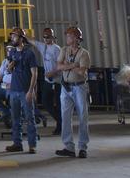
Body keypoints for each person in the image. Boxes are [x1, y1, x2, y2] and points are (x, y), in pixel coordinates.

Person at [54, 26, 91, 160]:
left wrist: (67, 65)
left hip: (79, 87)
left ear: (76, 38)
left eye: (69, 36)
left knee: (82, 116)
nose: (67, 38)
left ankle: (82, 147)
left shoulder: (84, 53)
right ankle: (68, 147)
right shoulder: (64, 50)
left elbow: (82, 72)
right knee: (65, 117)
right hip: (66, 87)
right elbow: (58, 67)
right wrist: (74, 65)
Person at [3, 27, 38, 154]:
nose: (12, 38)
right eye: (12, 36)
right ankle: (17, 143)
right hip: (14, 90)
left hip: (25, 91)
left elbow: (34, 74)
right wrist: (9, 67)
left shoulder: (29, 53)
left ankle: (32, 145)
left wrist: (31, 91)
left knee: (30, 118)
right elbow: (9, 71)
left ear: (21, 39)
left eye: (15, 36)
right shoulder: (12, 53)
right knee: (15, 118)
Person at [32, 27, 63, 135]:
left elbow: (61, 66)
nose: (46, 39)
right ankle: (61, 121)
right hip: (47, 81)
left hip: (57, 81)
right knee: (46, 102)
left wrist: (52, 73)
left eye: (48, 37)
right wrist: (22, 35)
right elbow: (33, 42)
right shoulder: (43, 47)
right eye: (44, 37)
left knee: (59, 105)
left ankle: (60, 126)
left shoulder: (57, 49)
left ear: (53, 37)